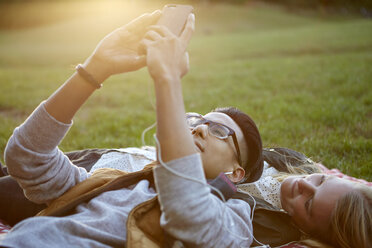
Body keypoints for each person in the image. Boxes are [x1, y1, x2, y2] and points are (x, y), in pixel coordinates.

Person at [0, 9, 263, 248]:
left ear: (236, 173)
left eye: (219, 131)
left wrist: (168, 79)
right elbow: (27, 157)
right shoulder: (116, 182)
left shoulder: (234, 218)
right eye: (196, 121)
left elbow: (189, 214)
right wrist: (96, 68)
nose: (199, 130)